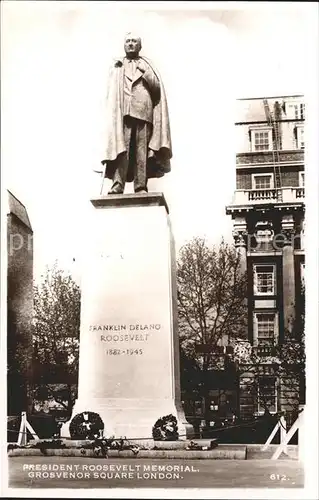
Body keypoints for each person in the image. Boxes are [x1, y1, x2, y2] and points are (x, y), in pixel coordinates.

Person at [101, 33, 172, 194]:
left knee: (141, 152)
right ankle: (117, 184)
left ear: (140, 46)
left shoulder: (147, 64)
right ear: (124, 45)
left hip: (143, 112)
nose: (131, 44)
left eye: (134, 41)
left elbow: (156, 88)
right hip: (123, 113)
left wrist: (145, 72)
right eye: (128, 41)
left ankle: (141, 186)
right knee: (121, 149)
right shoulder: (117, 65)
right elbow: (110, 93)